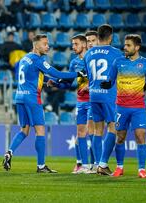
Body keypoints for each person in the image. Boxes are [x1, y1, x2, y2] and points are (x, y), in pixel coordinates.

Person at [2, 33, 86, 173]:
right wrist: (78, 74)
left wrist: (46, 81)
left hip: (20, 97)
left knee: (24, 130)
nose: (48, 46)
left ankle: (9, 152)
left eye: (48, 44)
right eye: (45, 44)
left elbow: (33, 76)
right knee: (40, 131)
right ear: (36, 45)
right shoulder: (38, 59)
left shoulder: (25, 58)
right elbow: (57, 73)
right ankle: (41, 166)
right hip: (32, 98)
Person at [100, 34, 146, 178]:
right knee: (120, 137)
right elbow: (110, 80)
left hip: (138, 107)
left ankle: (141, 169)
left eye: (128, 45)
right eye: (125, 45)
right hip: (121, 107)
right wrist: (106, 84)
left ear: (137, 47)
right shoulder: (118, 62)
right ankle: (119, 167)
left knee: (140, 135)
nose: (125, 47)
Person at [47, 34, 94, 174]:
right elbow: (68, 84)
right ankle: (84, 165)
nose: (73, 47)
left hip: (94, 101)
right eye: (72, 44)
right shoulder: (74, 62)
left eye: (76, 44)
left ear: (84, 45)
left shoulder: (92, 59)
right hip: (81, 101)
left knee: (92, 133)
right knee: (80, 133)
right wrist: (55, 83)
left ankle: (98, 164)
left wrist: (91, 87)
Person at [83, 24, 123, 176]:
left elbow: (89, 75)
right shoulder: (116, 53)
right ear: (111, 37)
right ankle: (103, 164)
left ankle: (97, 163)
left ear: (98, 36)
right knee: (113, 128)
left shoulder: (88, 53)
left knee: (97, 131)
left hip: (93, 95)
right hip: (108, 95)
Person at [84, 30, 99, 172]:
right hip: (91, 99)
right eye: (88, 41)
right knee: (91, 131)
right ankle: (95, 163)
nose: (90, 43)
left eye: (93, 40)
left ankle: (99, 163)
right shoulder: (87, 57)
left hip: (105, 98)